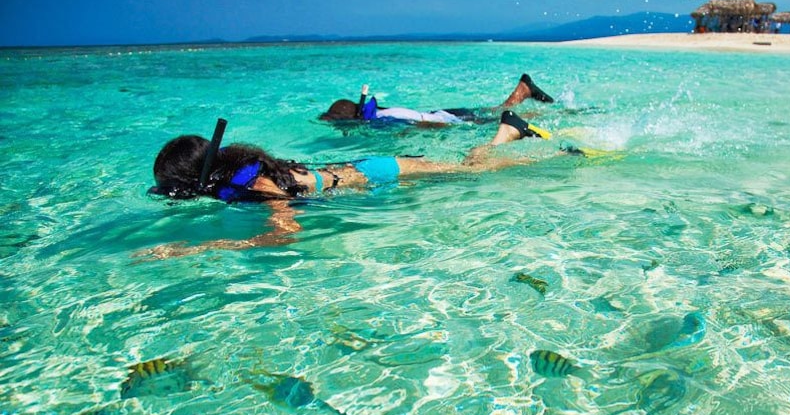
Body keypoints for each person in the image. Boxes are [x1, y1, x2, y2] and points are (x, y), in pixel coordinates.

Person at [142, 111, 557, 259]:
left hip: (379, 172)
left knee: (475, 171)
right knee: (463, 170)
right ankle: (508, 131)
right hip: (362, 171)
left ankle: (512, 136)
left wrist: (198, 247)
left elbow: (286, 234)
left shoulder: (256, 183)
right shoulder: (239, 175)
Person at [319, 73, 554, 126]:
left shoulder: (384, 117)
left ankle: (559, 113)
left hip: (447, 119)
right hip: (442, 113)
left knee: (499, 117)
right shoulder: (379, 115)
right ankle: (523, 90)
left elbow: (420, 124)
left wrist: (452, 130)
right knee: (496, 111)